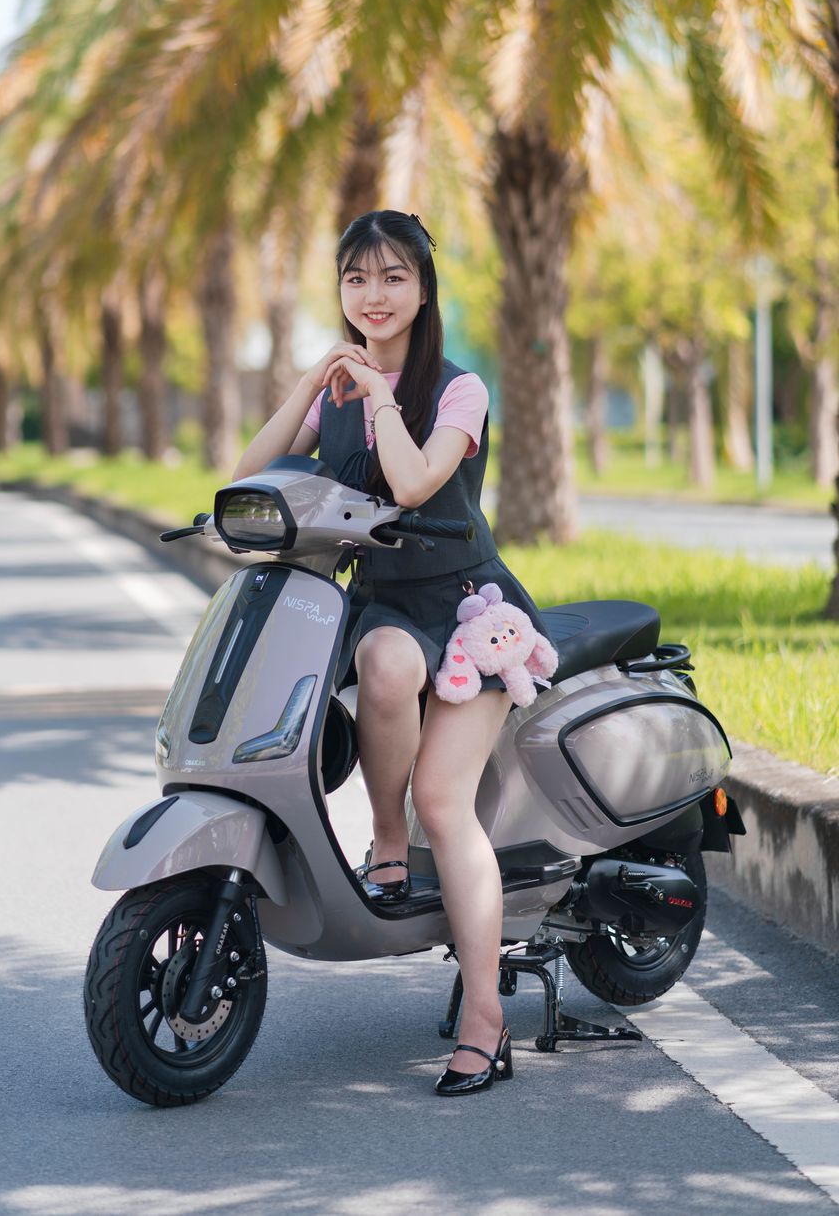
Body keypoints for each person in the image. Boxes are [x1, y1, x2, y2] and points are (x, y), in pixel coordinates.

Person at [232, 209, 550, 1097]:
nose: (374, 295)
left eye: (393, 277)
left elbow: (412, 481)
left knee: (446, 801)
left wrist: (376, 393)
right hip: (384, 607)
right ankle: (385, 835)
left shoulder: (459, 390)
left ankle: (485, 1016)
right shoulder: (332, 393)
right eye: (356, 278)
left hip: (471, 608)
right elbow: (247, 473)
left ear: (423, 288)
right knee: (383, 664)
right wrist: (311, 383)